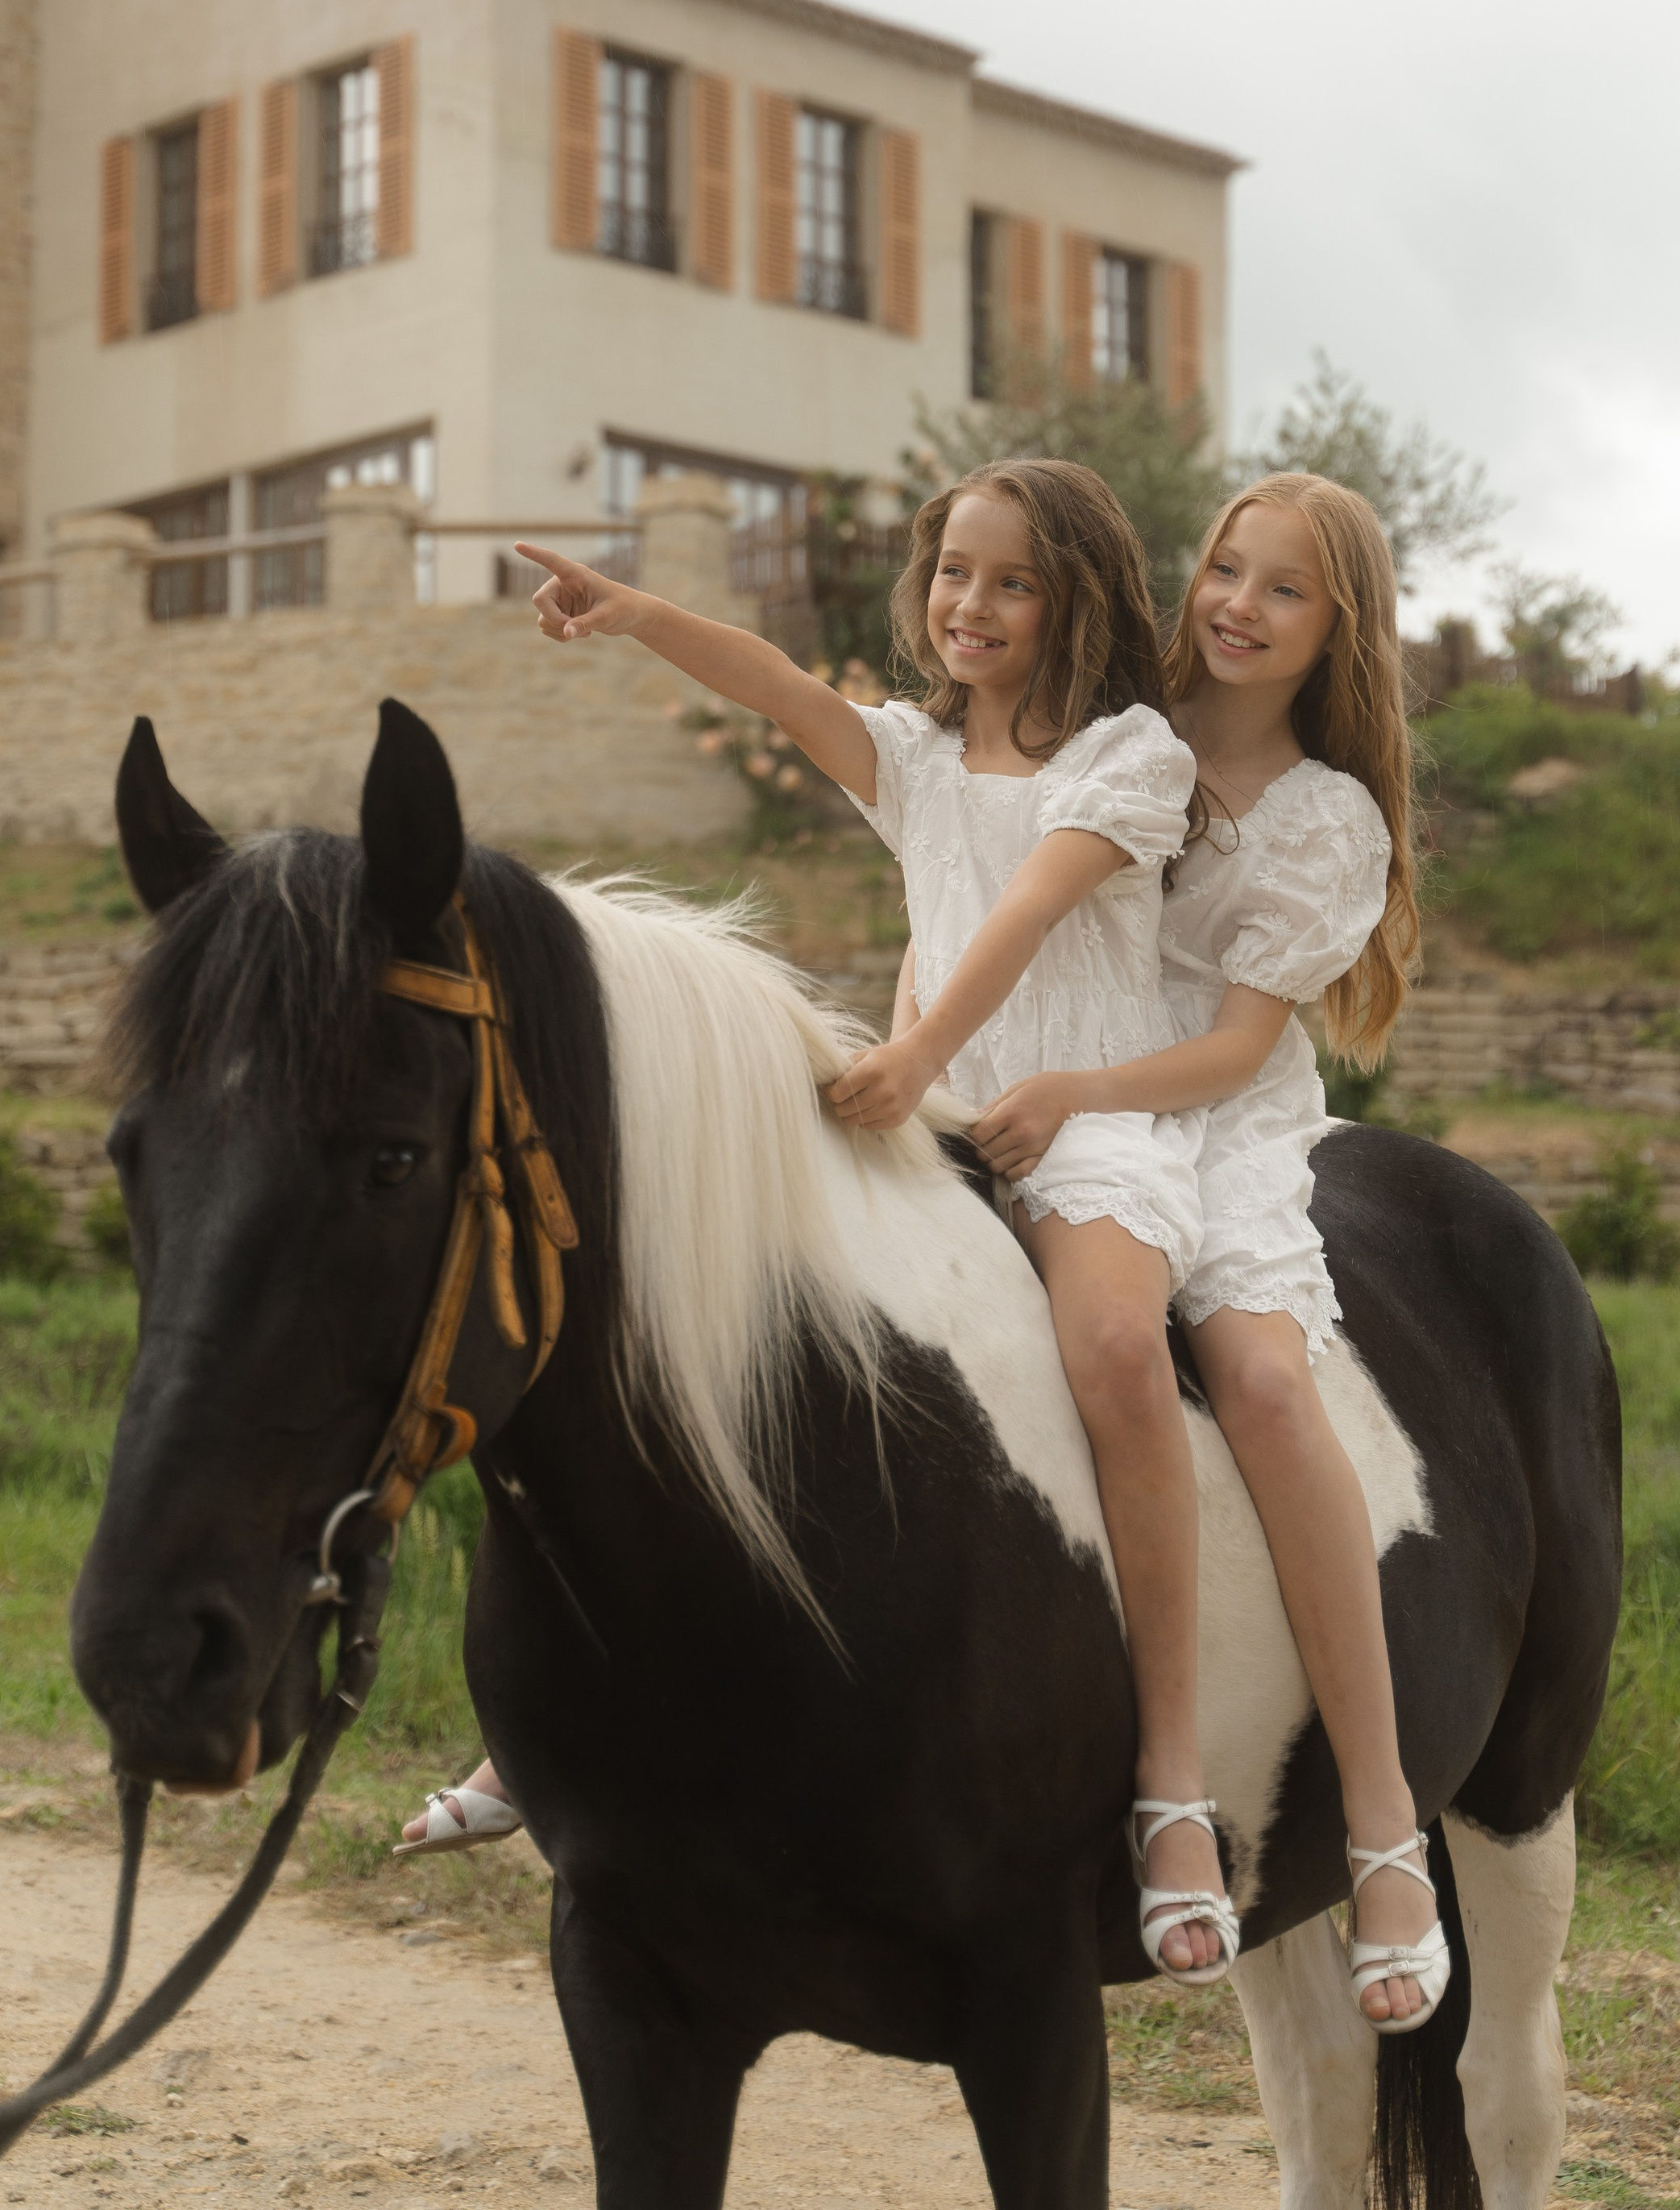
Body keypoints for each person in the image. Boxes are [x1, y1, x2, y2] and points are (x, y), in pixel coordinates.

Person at [401, 457, 1241, 1985]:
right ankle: (545, 1734)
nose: (968, 605)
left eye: (1010, 581)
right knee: (719, 1318)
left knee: (1119, 1349)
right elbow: (781, 687)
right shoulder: (915, 753)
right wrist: (634, 608)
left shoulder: (1131, 756)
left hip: (1079, 1122)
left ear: (1079, 599)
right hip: (923, 1113)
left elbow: (1028, 913)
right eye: (952, 574)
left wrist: (918, 1051)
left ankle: (1173, 1784)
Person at [965, 472, 1446, 2032]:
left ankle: (1383, 1825)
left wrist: (1071, 1095)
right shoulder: (1122, 725)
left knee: (1258, 1375)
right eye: (1227, 569)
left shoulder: (1327, 820)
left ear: (1338, 630)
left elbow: (1238, 1051)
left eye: (1283, 590)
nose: (1237, 602)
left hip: (1206, 1114)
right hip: (1050, 1063)